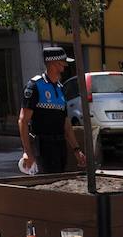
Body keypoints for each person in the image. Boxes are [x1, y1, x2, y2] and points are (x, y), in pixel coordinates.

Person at [19, 46, 83, 174]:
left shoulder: (60, 88)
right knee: (47, 184)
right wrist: (27, 151)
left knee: (59, 182)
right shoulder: (35, 86)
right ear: (54, 63)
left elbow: (66, 124)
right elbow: (23, 121)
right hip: (43, 146)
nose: (65, 66)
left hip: (60, 145)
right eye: (63, 63)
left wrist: (77, 150)